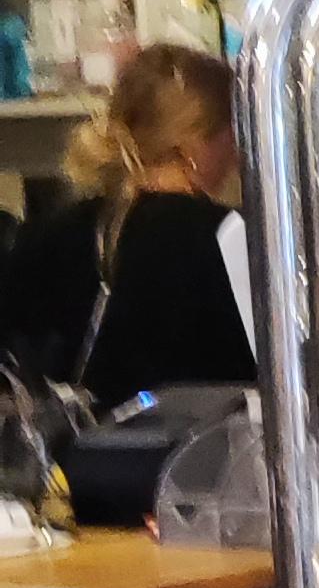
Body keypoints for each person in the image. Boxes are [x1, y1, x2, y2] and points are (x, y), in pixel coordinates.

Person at [0, 45, 257, 407]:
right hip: (200, 458)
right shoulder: (229, 239)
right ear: (197, 142)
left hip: (70, 460)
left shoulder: (50, 233)